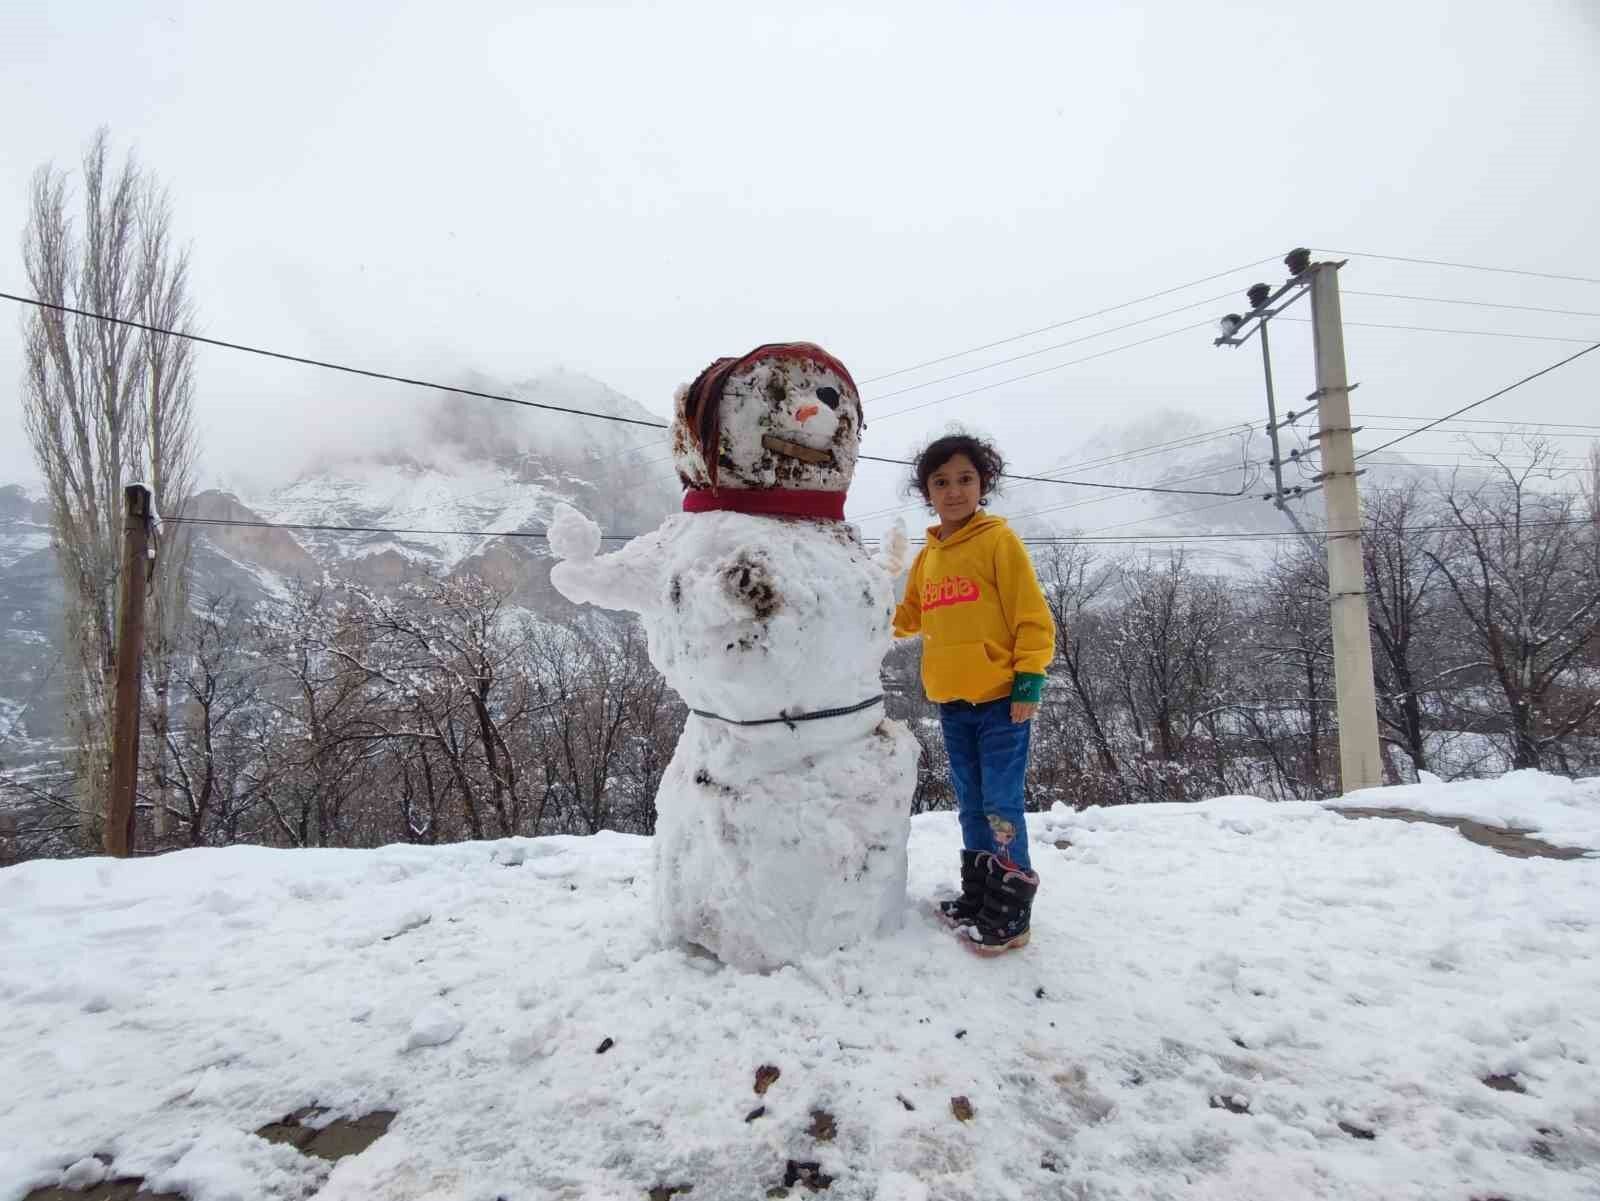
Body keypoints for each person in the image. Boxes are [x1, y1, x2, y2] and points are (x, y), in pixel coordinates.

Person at [892, 433, 1055, 954]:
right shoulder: (927, 558)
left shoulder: (998, 542)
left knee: (1001, 802)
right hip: (952, 702)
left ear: (983, 484)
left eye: (965, 479)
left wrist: (1029, 678)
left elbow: (1032, 617)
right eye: (941, 482)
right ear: (928, 493)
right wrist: (868, 609)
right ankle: (982, 894)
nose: (954, 491)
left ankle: (1012, 909)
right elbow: (909, 618)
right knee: (971, 804)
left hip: (1002, 698)